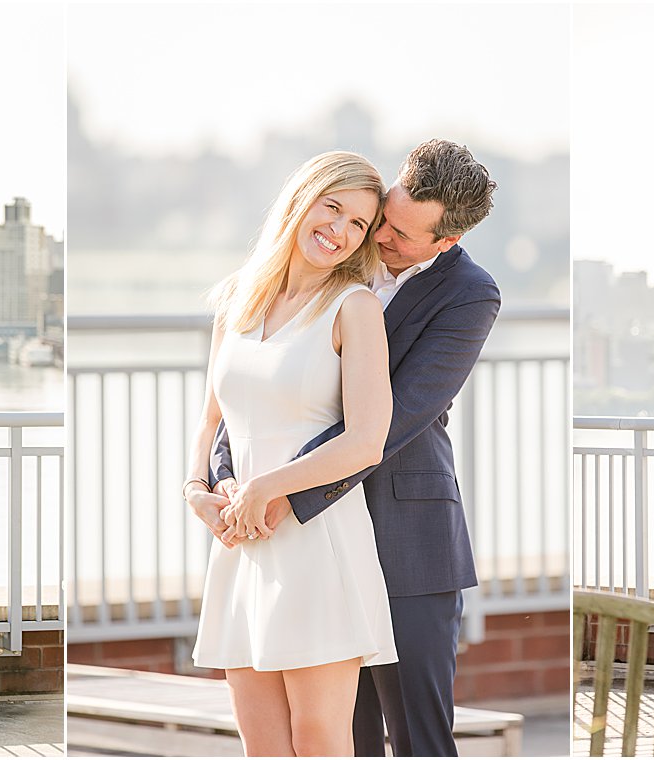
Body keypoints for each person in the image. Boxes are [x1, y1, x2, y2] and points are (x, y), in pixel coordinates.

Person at [209, 139, 501, 756]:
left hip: (404, 536)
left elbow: (398, 420)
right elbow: (255, 383)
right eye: (384, 217)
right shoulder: (337, 251)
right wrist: (221, 475)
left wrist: (288, 489)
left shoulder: (470, 294)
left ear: (444, 242)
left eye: (400, 233)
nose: (380, 237)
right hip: (295, 533)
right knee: (346, 736)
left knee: (419, 735)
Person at [182, 150, 396, 756]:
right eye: (333, 208)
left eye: (358, 223)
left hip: (317, 540)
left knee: (320, 736)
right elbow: (210, 420)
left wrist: (266, 486)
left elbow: (366, 439)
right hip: (242, 544)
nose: (340, 230)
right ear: (302, 200)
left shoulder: (354, 307)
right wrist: (196, 491)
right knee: (263, 743)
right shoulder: (237, 302)